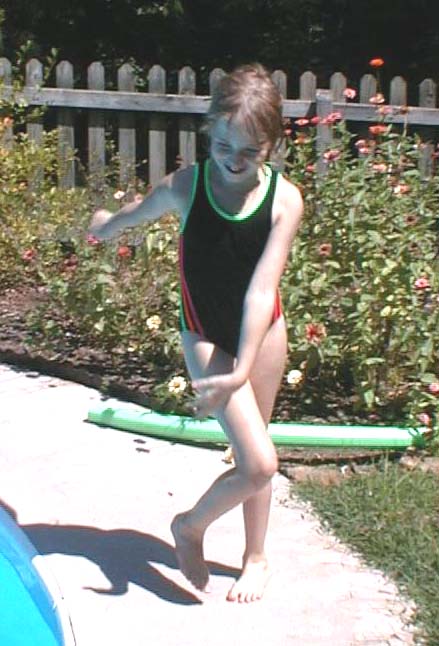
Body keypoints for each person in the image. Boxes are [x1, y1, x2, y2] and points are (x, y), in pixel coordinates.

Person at [89, 63, 303, 603]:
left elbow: (260, 290)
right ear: (210, 132)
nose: (234, 160)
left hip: (264, 327)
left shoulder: (284, 201)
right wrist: (104, 226)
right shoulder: (186, 186)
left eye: (250, 151)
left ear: (272, 145)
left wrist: (241, 369)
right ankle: (190, 526)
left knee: (259, 452)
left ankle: (256, 557)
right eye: (224, 145)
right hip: (205, 331)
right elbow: (136, 214)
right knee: (258, 463)